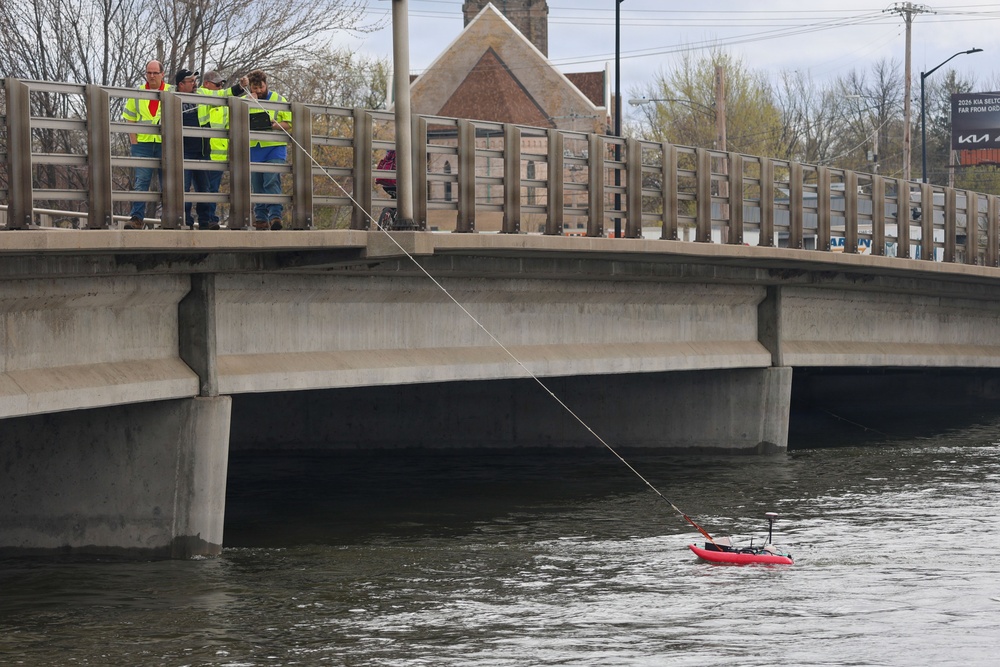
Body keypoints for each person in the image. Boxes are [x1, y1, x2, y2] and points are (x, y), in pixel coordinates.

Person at [122, 60, 171, 229]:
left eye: (155, 73)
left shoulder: (171, 91)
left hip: (165, 144)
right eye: (148, 72)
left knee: (168, 183)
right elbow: (130, 117)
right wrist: (134, 142)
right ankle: (136, 218)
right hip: (142, 144)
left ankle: (169, 219)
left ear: (162, 74)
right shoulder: (138, 92)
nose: (151, 76)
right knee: (141, 182)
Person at [247, 69, 292, 230]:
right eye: (255, 87)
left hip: (274, 147)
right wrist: (246, 102)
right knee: (257, 183)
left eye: (261, 87)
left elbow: (289, 123)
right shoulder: (246, 99)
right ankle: (260, 218)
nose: (258, 91)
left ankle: (275, 216)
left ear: (266, 84)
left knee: (271, 179)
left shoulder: (279, 99)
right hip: (254, 147)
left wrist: (276, 125)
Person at [174, 68, 214, 229]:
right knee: (183, 188)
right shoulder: (173, 99)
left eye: (194, 81)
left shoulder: (201, 96)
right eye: (191, 81)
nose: (194, 84)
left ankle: (206, 220)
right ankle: (185, 220)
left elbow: (221, 95)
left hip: (202, 150)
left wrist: (240, 88)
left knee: (205, 188)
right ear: (181, 85)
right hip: (183, 151)